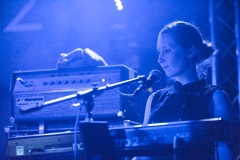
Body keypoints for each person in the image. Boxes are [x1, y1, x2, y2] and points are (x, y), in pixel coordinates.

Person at [137, 21, 239, 160]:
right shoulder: (154, 99)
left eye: (167, 51)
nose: (160, 59)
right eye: (159, 51)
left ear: (190, 52)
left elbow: (229, 155)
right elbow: (144, 153)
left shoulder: (215, 97)